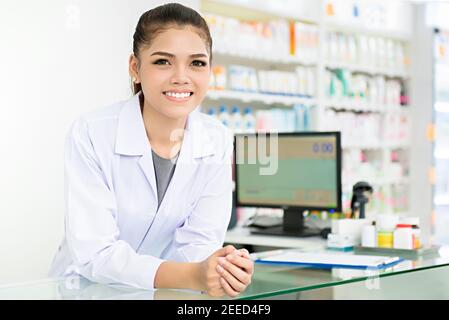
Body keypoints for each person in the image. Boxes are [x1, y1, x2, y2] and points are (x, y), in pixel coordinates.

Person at [49, 3, 253, 297]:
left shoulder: (217, 139)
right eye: (162, 62)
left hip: (164, 293)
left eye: (197, 63)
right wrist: (194, 275)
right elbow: (96, 253)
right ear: (135, 68)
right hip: (87, 290)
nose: (181, 77)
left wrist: (221, 268)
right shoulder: (92, 132)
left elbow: (201, 243)